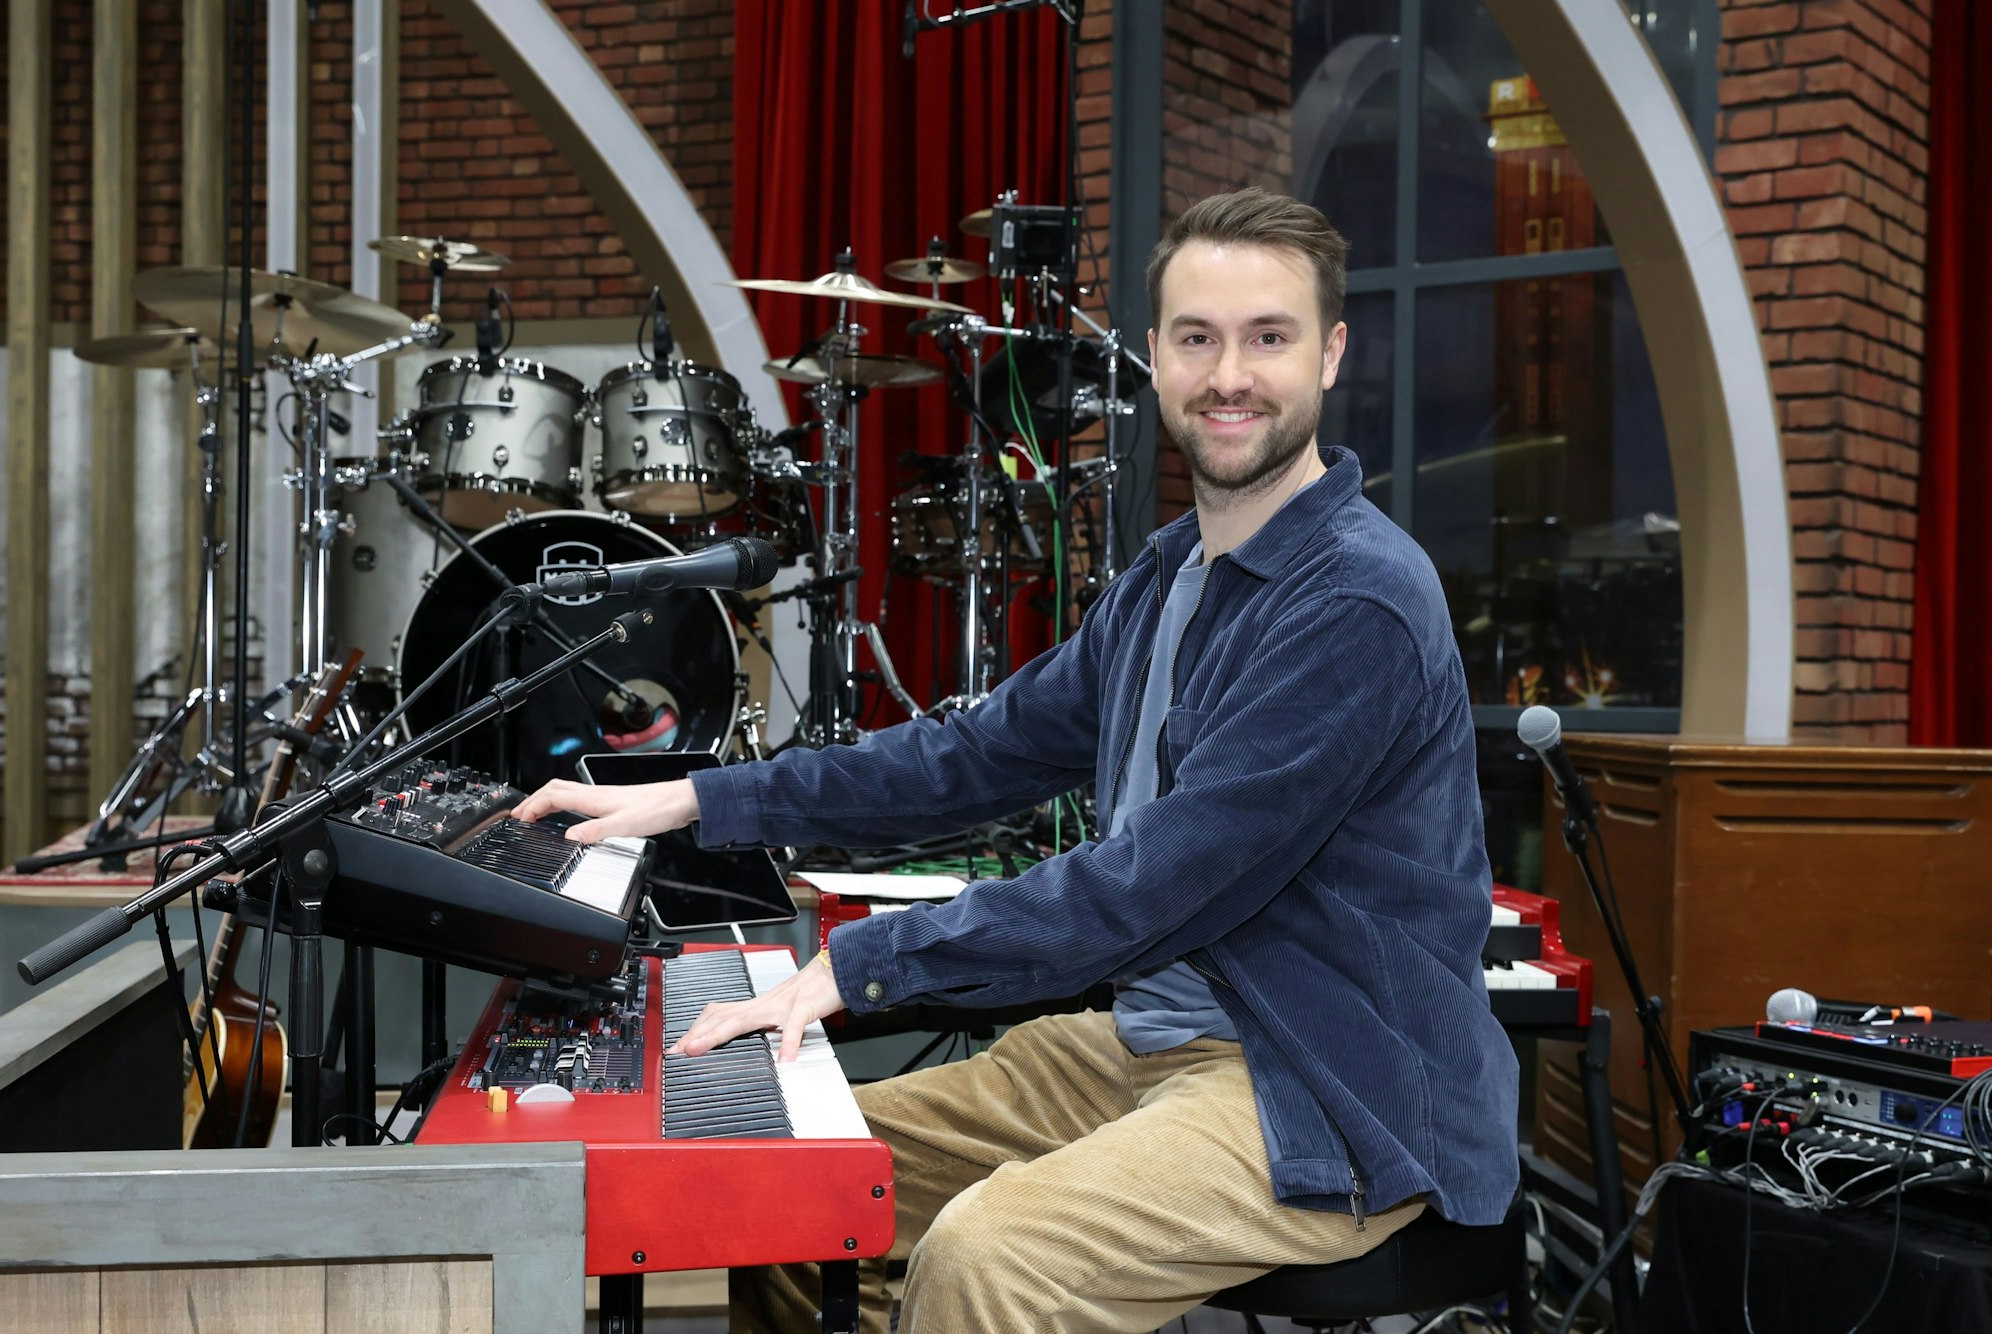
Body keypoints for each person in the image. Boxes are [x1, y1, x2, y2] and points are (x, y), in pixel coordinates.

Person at [515, 187, 1519, 1333]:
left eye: (1267, 338)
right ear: (1153, 356)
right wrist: (697, 795)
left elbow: (1149, 883)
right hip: (1149, 1042)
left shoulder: (1354, 600)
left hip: (1325, 1082)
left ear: (1328, 355)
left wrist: (856, 965)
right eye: (1197, 338)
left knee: (986, 1257)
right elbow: (969, 755)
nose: (1228, 374)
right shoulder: (1163, 578)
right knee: (785, 1178)